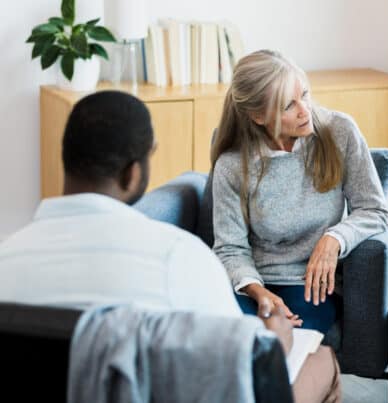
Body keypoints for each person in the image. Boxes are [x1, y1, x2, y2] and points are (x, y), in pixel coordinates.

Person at [0, 91, 340, 403]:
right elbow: (239, 365)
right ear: (133, 173)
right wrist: (276, 341)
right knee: (323, 361)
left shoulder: (6, 261)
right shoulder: (179, 257)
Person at [211, 50, 388, 334]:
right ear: (258, 116)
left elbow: (375, 210)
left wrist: (334, 238)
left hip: (308, 285)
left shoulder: (339, 131)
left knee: (281, 340)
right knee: (232, 338)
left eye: (304, 95)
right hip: (251, 285)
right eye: (288, 106)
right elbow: (230, 248)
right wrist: (258, 293)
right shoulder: (233, 164)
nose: (305, 111)